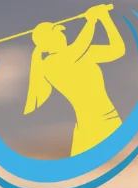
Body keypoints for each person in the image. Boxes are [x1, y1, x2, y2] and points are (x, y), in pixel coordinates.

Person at [24, 4, 127, 156]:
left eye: (61, 32)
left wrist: (105, 19)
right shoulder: (49, 65)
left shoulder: (82, 53)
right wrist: (91, 20)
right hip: (88, 129)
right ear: (47, 43)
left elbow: (118, 50)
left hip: (109, 119)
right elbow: (79, 46)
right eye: (56, 34)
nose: (62, 35)